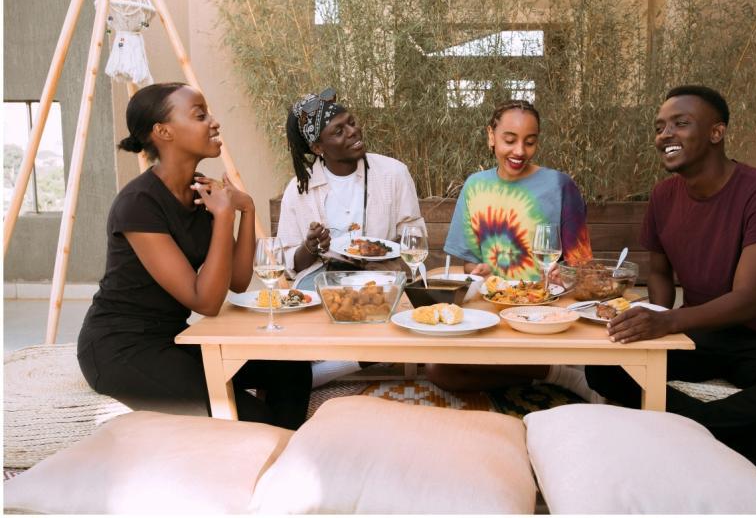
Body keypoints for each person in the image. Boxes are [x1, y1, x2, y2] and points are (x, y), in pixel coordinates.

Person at [585, 85, 756, 479]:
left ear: (716, 133)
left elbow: (748, 300)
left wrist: (668, 322)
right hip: (700, 332)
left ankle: (693, 431)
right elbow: (661, 273)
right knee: (604, 368)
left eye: (680, 124)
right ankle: (753, 439)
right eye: (660, 127)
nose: (665, 134)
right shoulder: (664, 196)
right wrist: (654, 320)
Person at [77, 82, 312, 429]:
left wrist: (244, 210)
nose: (214, 122)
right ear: (163, 132)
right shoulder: (138, 205)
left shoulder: (202, 190)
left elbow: (236, 280)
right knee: (249, 419)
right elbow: (206, 301)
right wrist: (224, 217)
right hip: (120, 349)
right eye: (200, 115)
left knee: (290, 367)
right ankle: (269, 455)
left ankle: (279, 459)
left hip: (174, 339)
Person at [427, 99, 599, 398]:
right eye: (510, 140)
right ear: (491, 136)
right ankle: (553, 375)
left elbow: (583, 270)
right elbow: (469, 264)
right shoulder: (475, 186)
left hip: (544, 311)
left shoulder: (560, 185)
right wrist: (477, 270)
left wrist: (566, 276)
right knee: (437, 369)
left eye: (529, 142)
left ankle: (555, 374)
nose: (520, 151)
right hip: (492, 309)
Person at [278, 88, 426, 387]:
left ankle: (327, 370)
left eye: (352, 122)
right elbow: (288, 263)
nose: (353, 131)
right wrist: (309, 247)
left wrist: (388, 250)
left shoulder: (393, 174)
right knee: (310, 304)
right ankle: (341, 361)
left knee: (379, 301)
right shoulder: (299, 189)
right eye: (339, 131)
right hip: (321, 281)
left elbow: (416, 237)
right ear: (318, 147)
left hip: (380, 276)